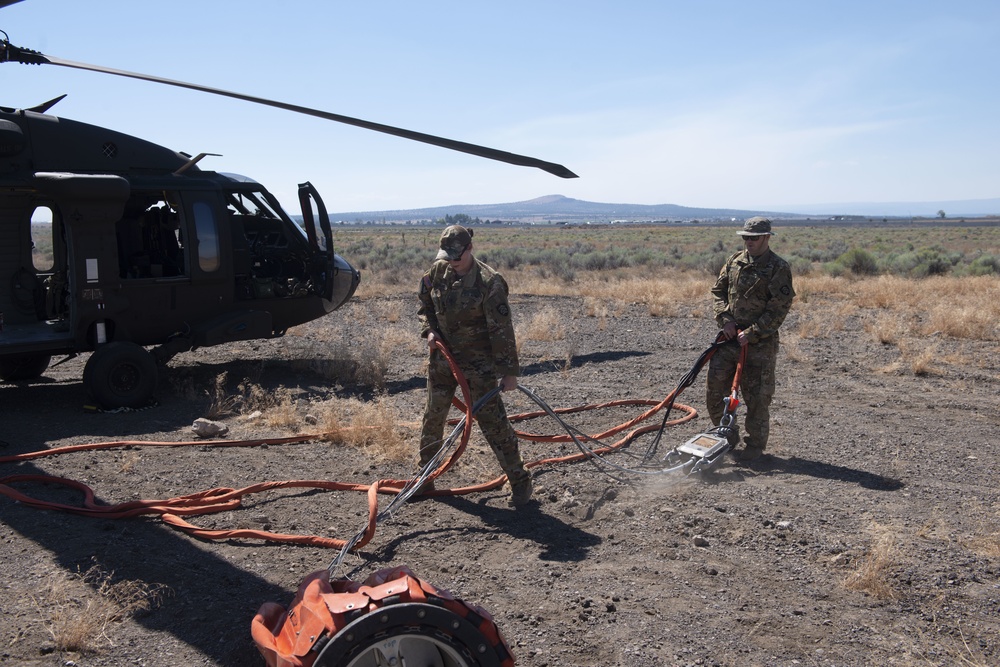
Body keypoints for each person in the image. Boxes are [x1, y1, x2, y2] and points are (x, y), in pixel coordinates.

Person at [417, 225, 533, 505]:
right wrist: (429, 330)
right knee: (433, 418)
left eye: (457, 255)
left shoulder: (489, 282)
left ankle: (519, 482)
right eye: (448, 255)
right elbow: (424, 305)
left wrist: (508, 373)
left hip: (478, 366)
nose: (452, 261)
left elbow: (502, 331)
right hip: (444, 361)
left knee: (493, 423)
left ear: (470, 248)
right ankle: (424, 478)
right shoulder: (437, 272)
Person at [707, 216, 795, 462]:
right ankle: (726, 435)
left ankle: (755, 447)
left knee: (757, 397)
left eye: (754, 238)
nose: (749, 242)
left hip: (759, 344)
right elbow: (718, 291)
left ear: (767, 237)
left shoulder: (779, 268)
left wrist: (754, 331)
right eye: (745, 237)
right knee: (716, 390)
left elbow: (780, 308)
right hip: (729, 338)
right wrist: (725, 319)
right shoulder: (734, 261)